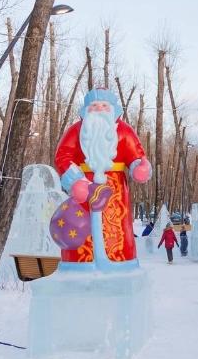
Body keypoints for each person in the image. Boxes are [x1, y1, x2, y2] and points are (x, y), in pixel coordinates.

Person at [51, 89, 152, 264]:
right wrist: (76, 180)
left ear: (114, 109)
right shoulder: (76, 131)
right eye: (94, 106)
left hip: (116, 191)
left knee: (117, 228)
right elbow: (62, 156)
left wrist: (139, 167)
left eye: (104, 106)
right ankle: (80, 264)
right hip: (83, 188)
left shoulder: (124, 131)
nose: (99, 109)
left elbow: (136, 156)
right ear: (85, 110)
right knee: (81, 228)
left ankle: (119, 263)